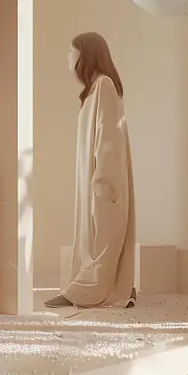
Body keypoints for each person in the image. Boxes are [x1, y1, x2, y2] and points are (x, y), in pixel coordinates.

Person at [45, 32, 137, 309]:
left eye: (71, 50)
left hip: (104, 179)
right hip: (95, 178)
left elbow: (108, 137)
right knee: (94, 236)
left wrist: (102, 181)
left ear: (86, 54)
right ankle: (113, 286)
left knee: (104, 236)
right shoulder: (96, 88)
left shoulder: (104, 85)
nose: (68, 56)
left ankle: (90, 291)